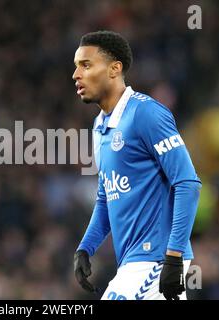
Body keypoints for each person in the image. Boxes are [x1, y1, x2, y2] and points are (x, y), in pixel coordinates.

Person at [72, 31, 201, 300]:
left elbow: (187, 183)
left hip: (156, 259)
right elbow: (107, 196)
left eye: (86, 65)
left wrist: (174, 256)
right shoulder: (100, 126)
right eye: (76, 66)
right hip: (133, 262)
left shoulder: (146, 113)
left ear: (114, 69)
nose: (76, 74)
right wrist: (85, 248)